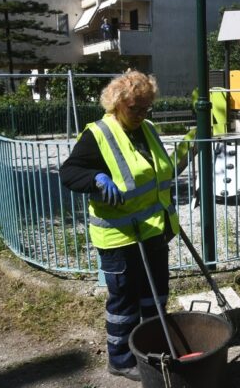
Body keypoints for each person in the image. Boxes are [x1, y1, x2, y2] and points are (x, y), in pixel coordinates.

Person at [60, 71, 179, 381]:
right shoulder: (98, 134)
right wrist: (95, 179)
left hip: (153, 230)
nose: (141, 114)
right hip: (119, 237)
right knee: (124, 303)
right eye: (135, 108)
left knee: (154, 297)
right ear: (117, 104)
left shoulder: (148, 129)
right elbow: (70, 171)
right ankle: (121, 359)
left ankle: (154, 349)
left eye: (146, 107)